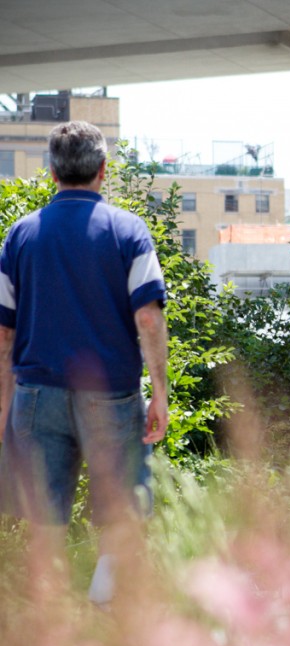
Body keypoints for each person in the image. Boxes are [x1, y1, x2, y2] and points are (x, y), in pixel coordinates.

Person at [0, 121, 169, 606]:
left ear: (52, 172)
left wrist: (3, 405)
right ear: (102, 170)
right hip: (111, 396)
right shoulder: (128, 230)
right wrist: (159, 391)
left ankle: (51, 627)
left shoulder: (20, 236)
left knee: (44, 517)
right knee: (120, 511)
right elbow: (149, 319)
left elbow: (4, 332)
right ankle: (103, 609)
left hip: (36, 394)